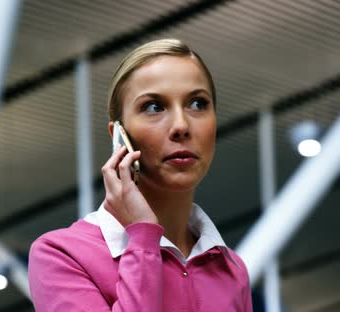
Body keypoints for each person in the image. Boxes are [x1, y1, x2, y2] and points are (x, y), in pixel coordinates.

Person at [28, 39, 253, 311]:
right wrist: (143, 236)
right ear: (119, 138)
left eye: (197, 103)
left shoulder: (231, 269)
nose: (181, 126)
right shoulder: (60, 255)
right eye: (154, 107)